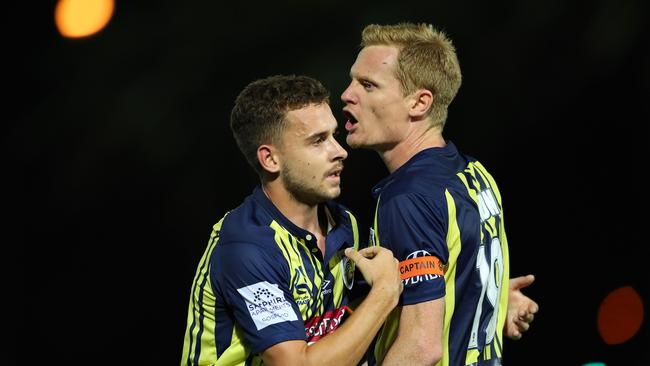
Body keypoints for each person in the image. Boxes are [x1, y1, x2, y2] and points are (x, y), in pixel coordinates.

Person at [340, 23, 539, 365]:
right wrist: (493, 300)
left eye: (368, 85)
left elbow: (421, 347)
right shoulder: (474, 173)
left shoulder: (408, 198)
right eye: (353, 80)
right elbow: (456, 274)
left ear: (419, 102)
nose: (347, 94)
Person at [181, 74, 403, 366]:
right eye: (317, 141)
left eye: (333, 135)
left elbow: (351, 323)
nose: (340, 152)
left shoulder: (343, 223)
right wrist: (384, 294)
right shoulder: (246, 248)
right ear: (270, 159)